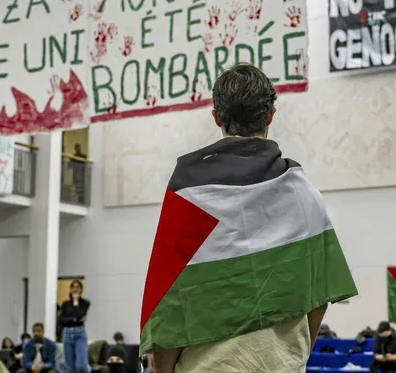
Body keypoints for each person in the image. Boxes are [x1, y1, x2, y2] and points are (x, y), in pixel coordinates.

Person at [141, 63, 358, 373]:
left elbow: (170, 305)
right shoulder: (302, 194)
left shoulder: (189, 196)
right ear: (270, 114)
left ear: (216, 117)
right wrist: (292, 358)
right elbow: (319, 295)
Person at [59, 280, 90, 373]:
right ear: (70, 289)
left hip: (79, 334)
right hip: (67, 334)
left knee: (81, 364)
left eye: (77, 287)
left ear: (81, 290)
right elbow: (61, 320)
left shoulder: (85, 303)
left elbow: (80, 314)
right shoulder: (65, 304)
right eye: (73, 287)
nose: (75, 289)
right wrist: (74, 319)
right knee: (70, 365)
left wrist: (76, 301)